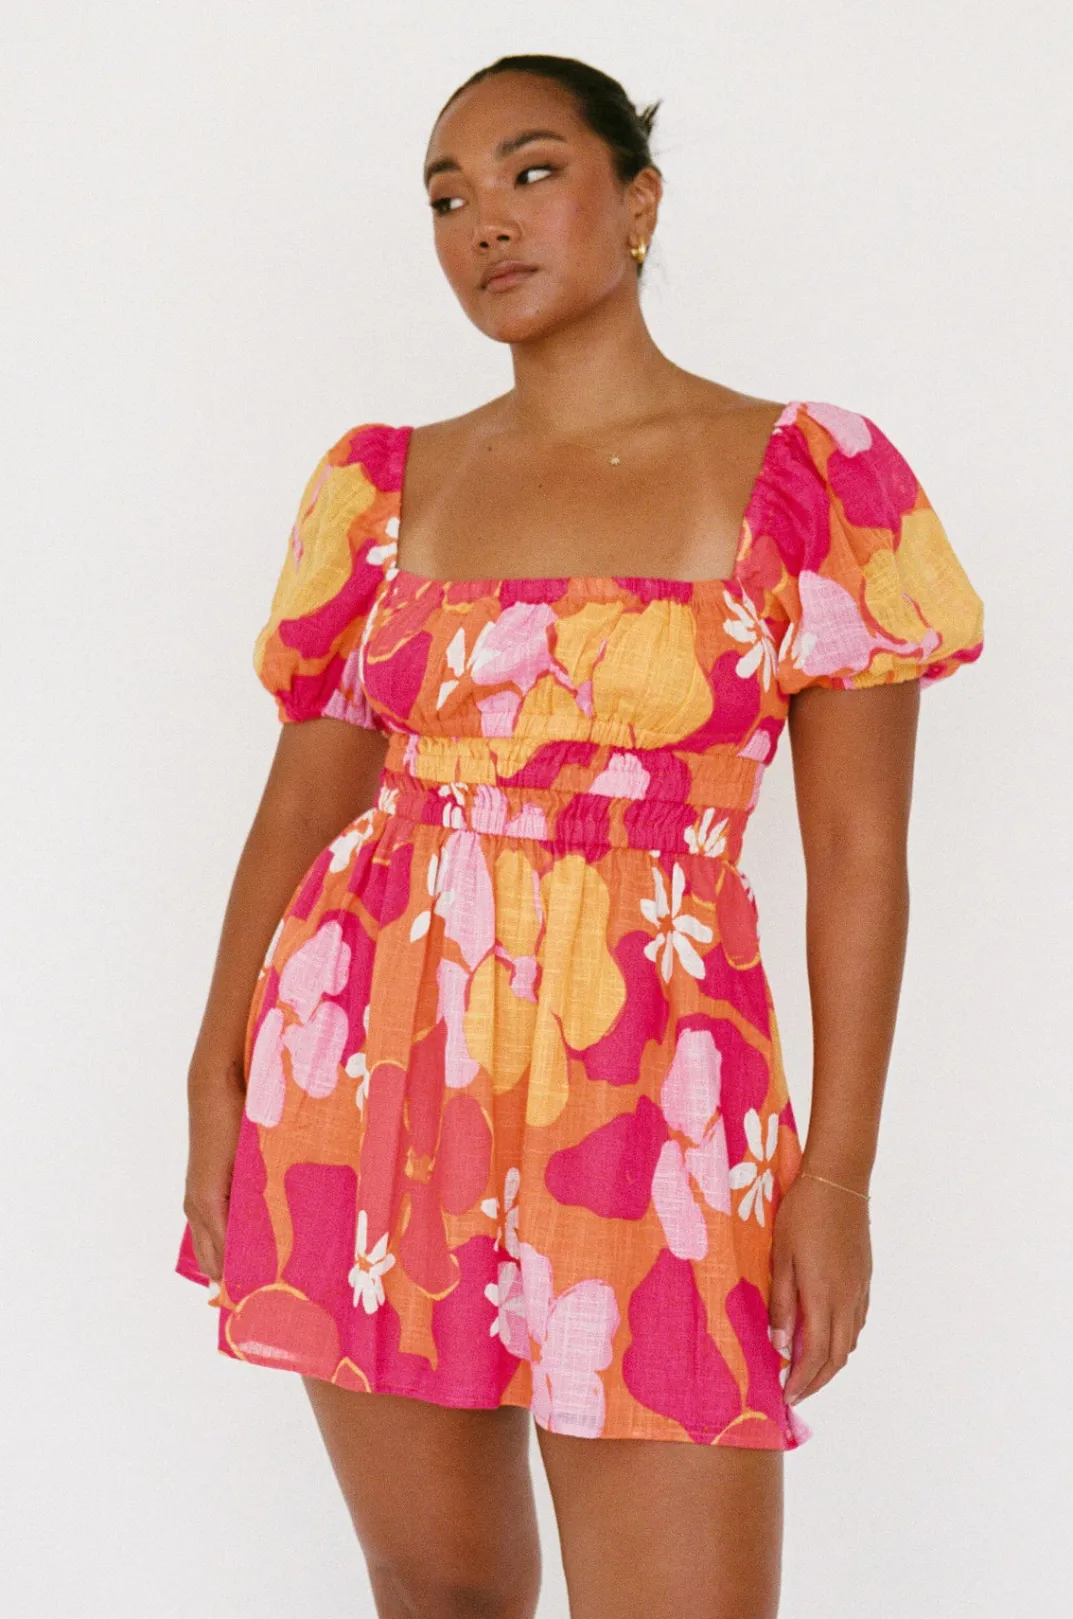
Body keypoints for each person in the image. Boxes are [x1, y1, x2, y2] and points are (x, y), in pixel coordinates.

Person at [175, 52, 985, 1619]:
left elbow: (859, 859)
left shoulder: (813, 480)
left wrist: (836, 1176)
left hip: (652, 1096)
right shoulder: (379, 486)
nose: (484, 220)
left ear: (640, 199)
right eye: (446, 196)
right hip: (369, 1071)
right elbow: (303, 802)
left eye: (532, 171)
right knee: (439, 1586)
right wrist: (213, 1073)